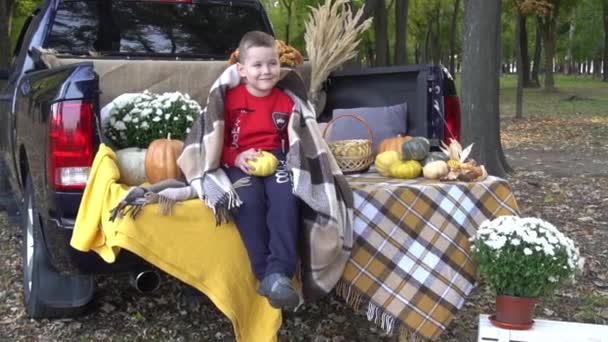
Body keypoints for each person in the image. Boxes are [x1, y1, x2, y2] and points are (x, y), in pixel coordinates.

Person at [222, 31, 299, 310]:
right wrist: (235, 156)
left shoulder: (287, 101)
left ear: (280, 64)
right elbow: (216, 139)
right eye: (257, 65)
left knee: (286, 199)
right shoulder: (229, 100)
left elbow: (297, 139)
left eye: (272, 63)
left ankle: (280, 273)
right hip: (241, 160)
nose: (266, 71)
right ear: (241, 70)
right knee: (248, 200)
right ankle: (264, 273)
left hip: (276, 158)